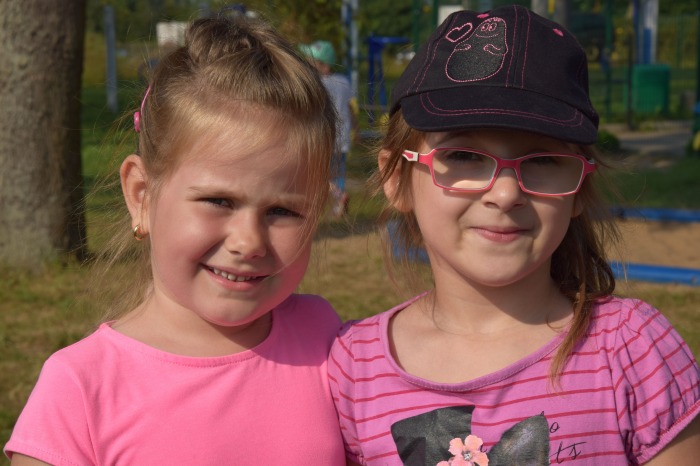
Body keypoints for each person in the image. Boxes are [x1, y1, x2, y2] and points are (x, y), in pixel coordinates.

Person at [328, 5, 700, 466]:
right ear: (395, 177)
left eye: (542, 160)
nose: (505, 194)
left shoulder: (635, 351)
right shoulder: (351, 370)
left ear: (580, 187)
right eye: (464, 156)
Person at [5, 13, 345, 465]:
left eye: (283, 211)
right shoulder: (80, 389)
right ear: (141, 195)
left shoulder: (327, 341)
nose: (249, 242)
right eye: (218, 201)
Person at [300, 40, 357, 217]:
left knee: (318, 174)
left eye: (311, 62)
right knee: (339, 173)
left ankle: (338, 197)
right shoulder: (344, 82)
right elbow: (351, 108)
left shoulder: (316, 83)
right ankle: (338, 205)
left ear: (323, 65)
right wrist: (357, 130)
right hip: (343, 137)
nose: (308, 64)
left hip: (324, 137)